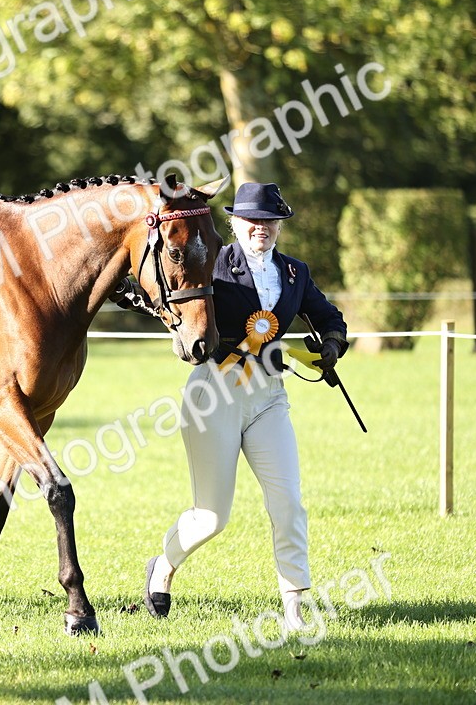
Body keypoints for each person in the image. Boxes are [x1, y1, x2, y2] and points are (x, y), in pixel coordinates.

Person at [142, 182, 348, 628]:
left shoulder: (295, 273)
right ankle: (163, 565)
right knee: (212, 517)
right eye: (253, 220)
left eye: (270, 221)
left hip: (270, 395)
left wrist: (332, 343)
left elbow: (329, 315)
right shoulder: (212, 264)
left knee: (288, 502)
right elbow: (174, 298)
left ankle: (294, 606)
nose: (262, 228)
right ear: (235, 223)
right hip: (214, 392)